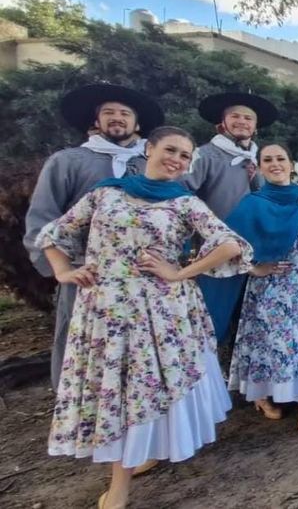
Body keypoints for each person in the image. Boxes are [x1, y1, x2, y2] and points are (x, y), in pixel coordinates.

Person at [37, 126, 251, 508]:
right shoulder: (106, 193)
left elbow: (231, 244)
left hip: (162, 311)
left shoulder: (185, 202)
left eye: (185, 156)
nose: (177, 160)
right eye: (171, 150)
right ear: (149, 149)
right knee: (117, 394)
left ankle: (139, 462)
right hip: (107, 313)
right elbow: (54, 233)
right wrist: (63, 271)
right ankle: (119, 485)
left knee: (146, 391)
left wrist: (180, 272)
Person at [24, 83, 164, 391]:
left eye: (125, 114)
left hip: (143, 274)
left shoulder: (149, 165)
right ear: (96, 121)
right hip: (88, 272)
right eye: (109, 112)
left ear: (137, 124)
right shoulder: (68, 161)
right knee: (80, 346)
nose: (117, 118)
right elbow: (42, 221)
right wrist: (63, 269)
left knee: (140, 348)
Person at [226, 144, 298, 433]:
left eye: (281, 158)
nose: (275, 164)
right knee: (273, 344)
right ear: (259, 167)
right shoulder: (253, 203)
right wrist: (253, 268)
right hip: (272, 288)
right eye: (268, 160)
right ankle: (263, 395)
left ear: (292, 164)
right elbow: (228, 243)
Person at [183, 92, 279, 343]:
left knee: (255, 319)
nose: (242, 121)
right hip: (222, 252)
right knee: (213, 318)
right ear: (222, 122)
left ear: (255, 126)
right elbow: (183, 196)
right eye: (235, 116)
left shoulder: (264, 160)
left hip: (261, 250)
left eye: (248, 118)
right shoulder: (205, 155)